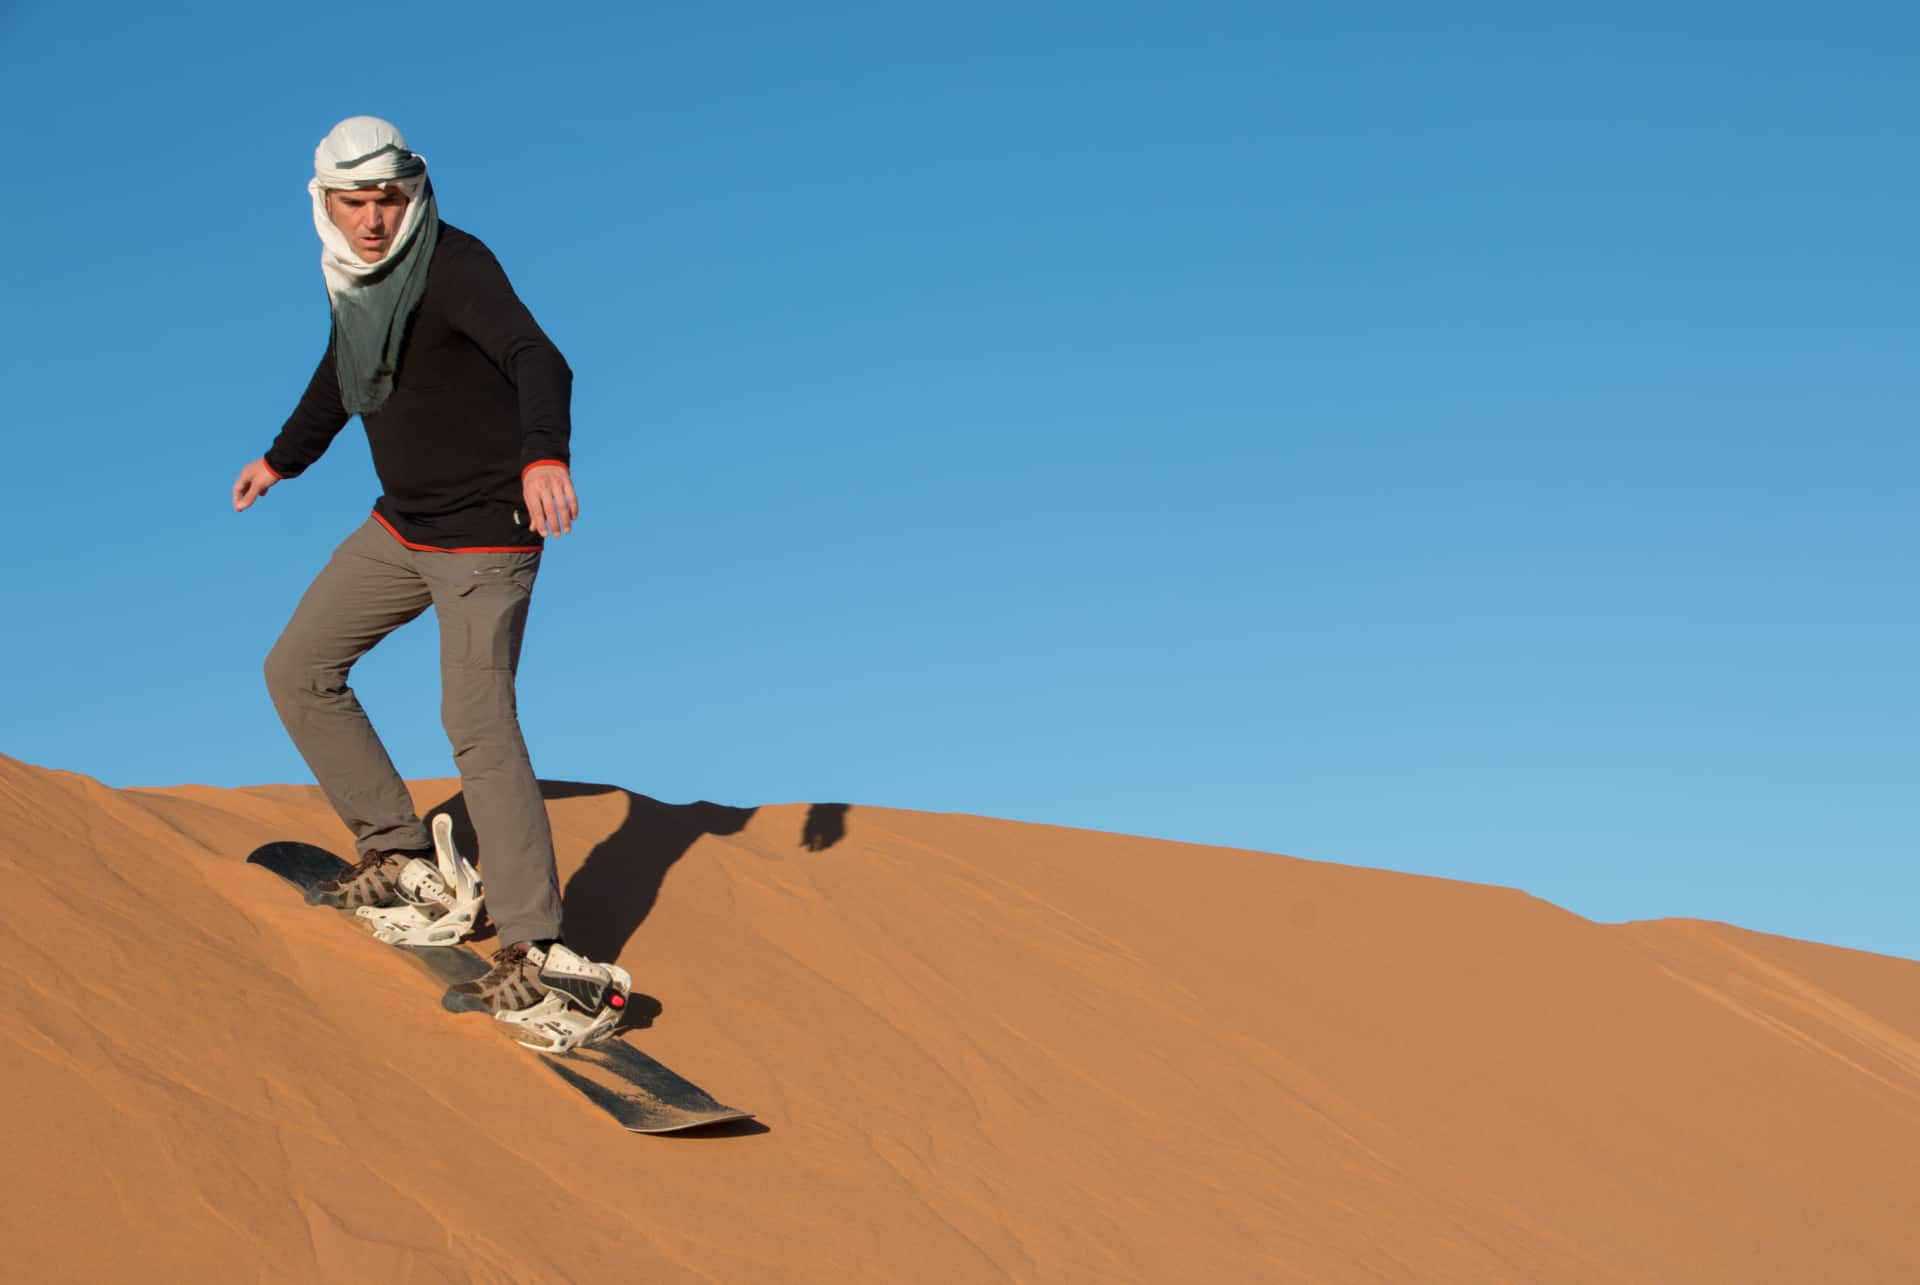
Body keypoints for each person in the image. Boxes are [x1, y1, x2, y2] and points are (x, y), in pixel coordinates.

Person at [235, 116, 589, 1020]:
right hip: (405, 530)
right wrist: (281, 460)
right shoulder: (355, 283)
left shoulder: (454, 263)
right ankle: (400, 856)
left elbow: (537, 354)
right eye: (353, 202)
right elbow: (341, 374)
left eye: (387, 200)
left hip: (487, 536)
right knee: (298, 670)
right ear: (324, 203)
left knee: (475, 722)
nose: (372, 220)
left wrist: (544, 452)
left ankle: (533, 944)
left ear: (413, 193)